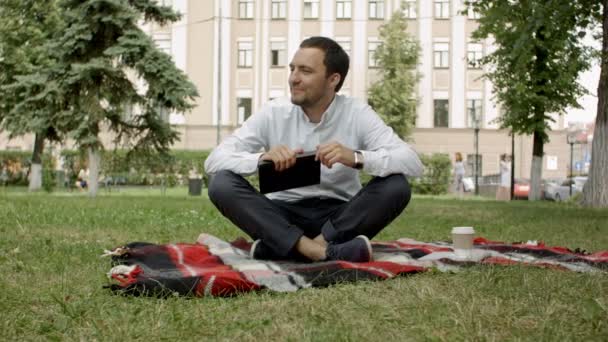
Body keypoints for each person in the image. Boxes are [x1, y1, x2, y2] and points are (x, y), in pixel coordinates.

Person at [204, 36, 423, 263]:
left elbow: (412, 162)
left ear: (333, 79)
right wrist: (260, 158)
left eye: (305, 71)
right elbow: (214, 160)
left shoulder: (357, 112)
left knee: (396, 186)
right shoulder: (272, 112)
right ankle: (317, 251)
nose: (293, 79)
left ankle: (288, 248)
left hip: (339, 220)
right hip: (280, 216)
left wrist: (356, 157)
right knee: (221, 183)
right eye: (292, 69)